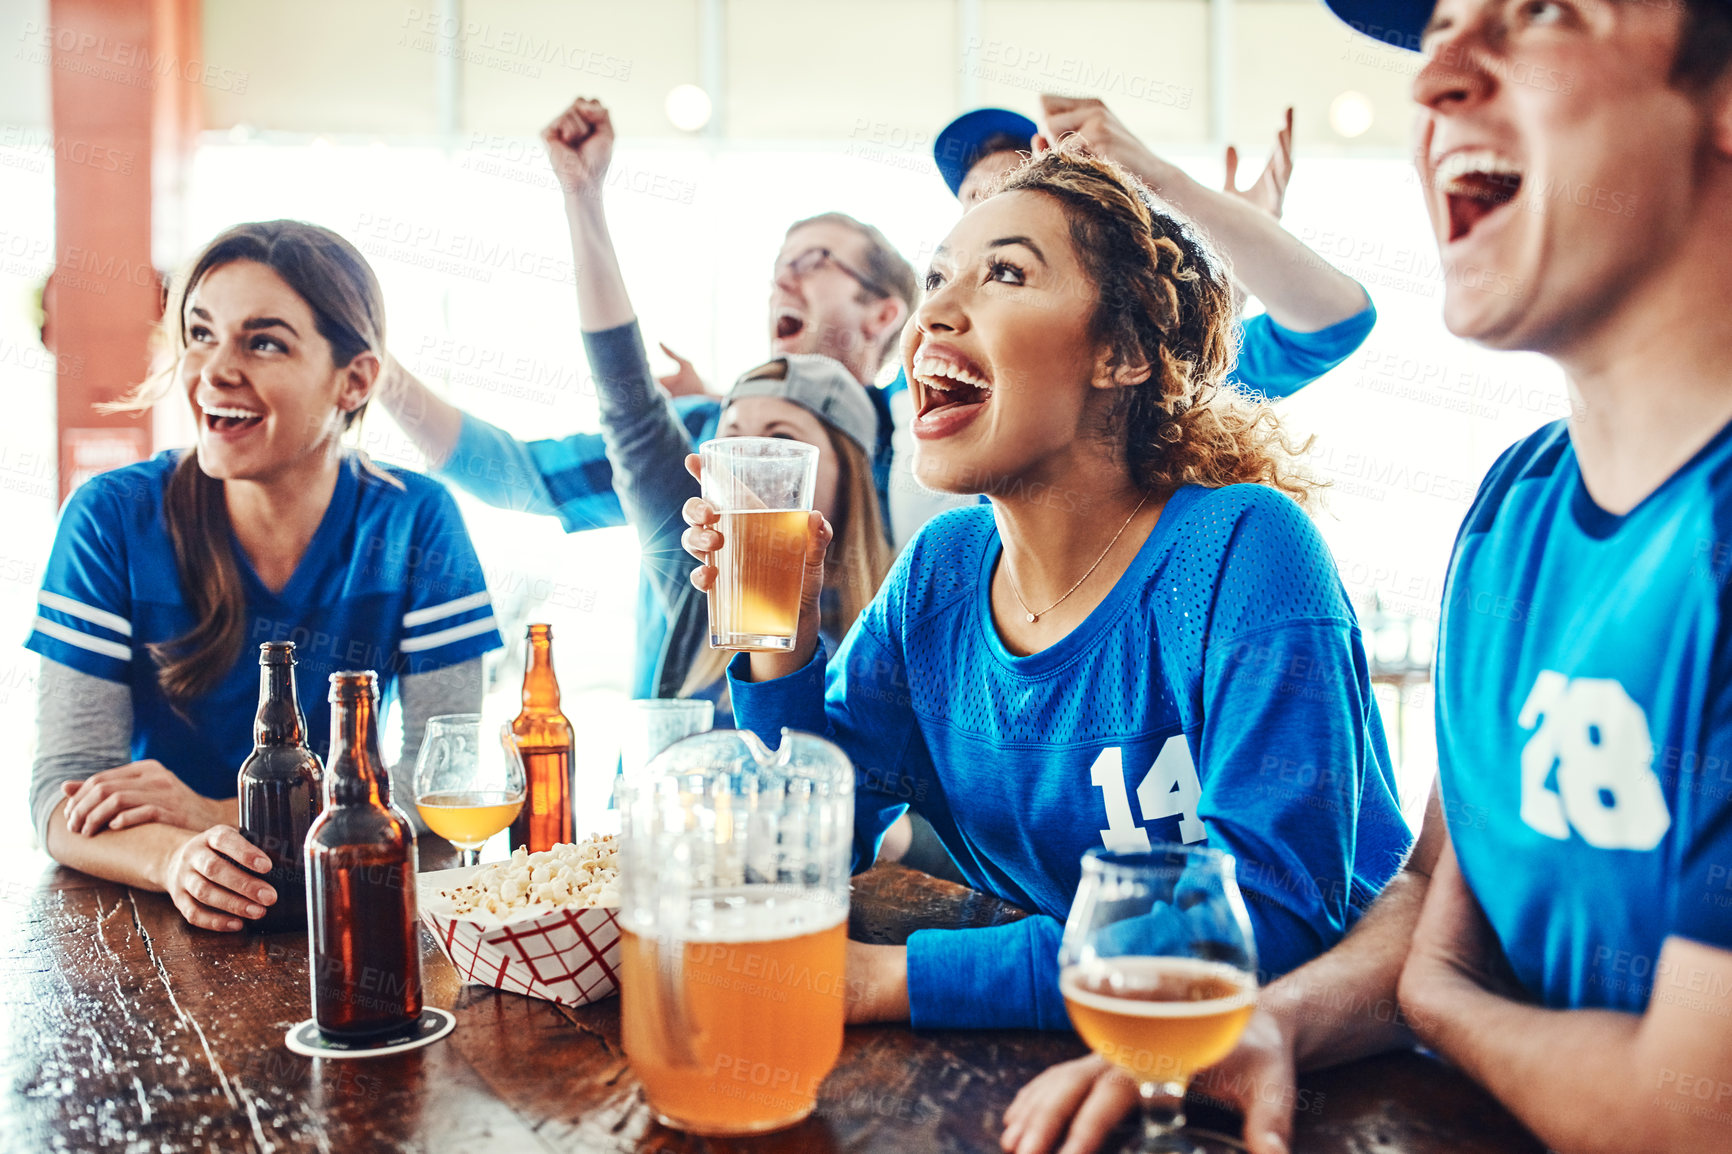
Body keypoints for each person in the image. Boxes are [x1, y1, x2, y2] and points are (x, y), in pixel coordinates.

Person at [1001, 0, 1732, 1151]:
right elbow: (1438, 890)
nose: (1435, 74)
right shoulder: (1517, 507)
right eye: (1442, 23)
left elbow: (1685, 1104)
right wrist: (1273, 1022)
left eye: (1534, 12)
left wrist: (1444, 1004)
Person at [682, 143, 1413, 1031]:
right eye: (937, 279)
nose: (933, 315)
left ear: (1124, 352)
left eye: (1003, 275)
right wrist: (781, 641)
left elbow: (1264, 922)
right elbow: (813, 825)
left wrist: (892, 980)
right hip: (1072, 1044)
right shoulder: (943, 573)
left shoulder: (1245, 553)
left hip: (1315, 1073)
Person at [27, 220, 502, 933]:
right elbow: (62, 790)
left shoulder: (416, 522)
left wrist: (226, 816)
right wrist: (178, 857)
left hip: (348, 907)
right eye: (200, 333)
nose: (214, 371)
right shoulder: (110, 519)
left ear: (355, 380)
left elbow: (448, 779)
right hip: (162, 927)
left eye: (264, 341)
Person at [376, 99, 917, 701]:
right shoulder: (696, 447)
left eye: (814, 263)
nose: (782, 282)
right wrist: (372, 366)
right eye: (734, 439)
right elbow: (523, 470)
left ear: (885, 312)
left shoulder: (927, 463)